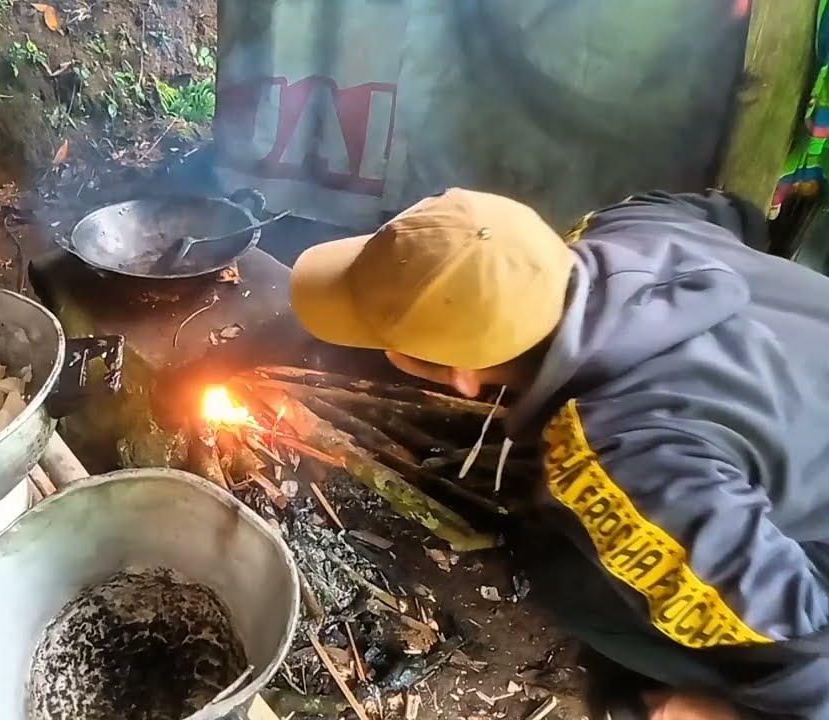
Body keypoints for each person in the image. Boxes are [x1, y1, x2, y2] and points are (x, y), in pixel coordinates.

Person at [287, 188, 829, 720]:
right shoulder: (632, 223)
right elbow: (739, 216)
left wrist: (711, 711)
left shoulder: (625, 460)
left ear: (461, 378)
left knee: (562, 571)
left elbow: (808, 651)